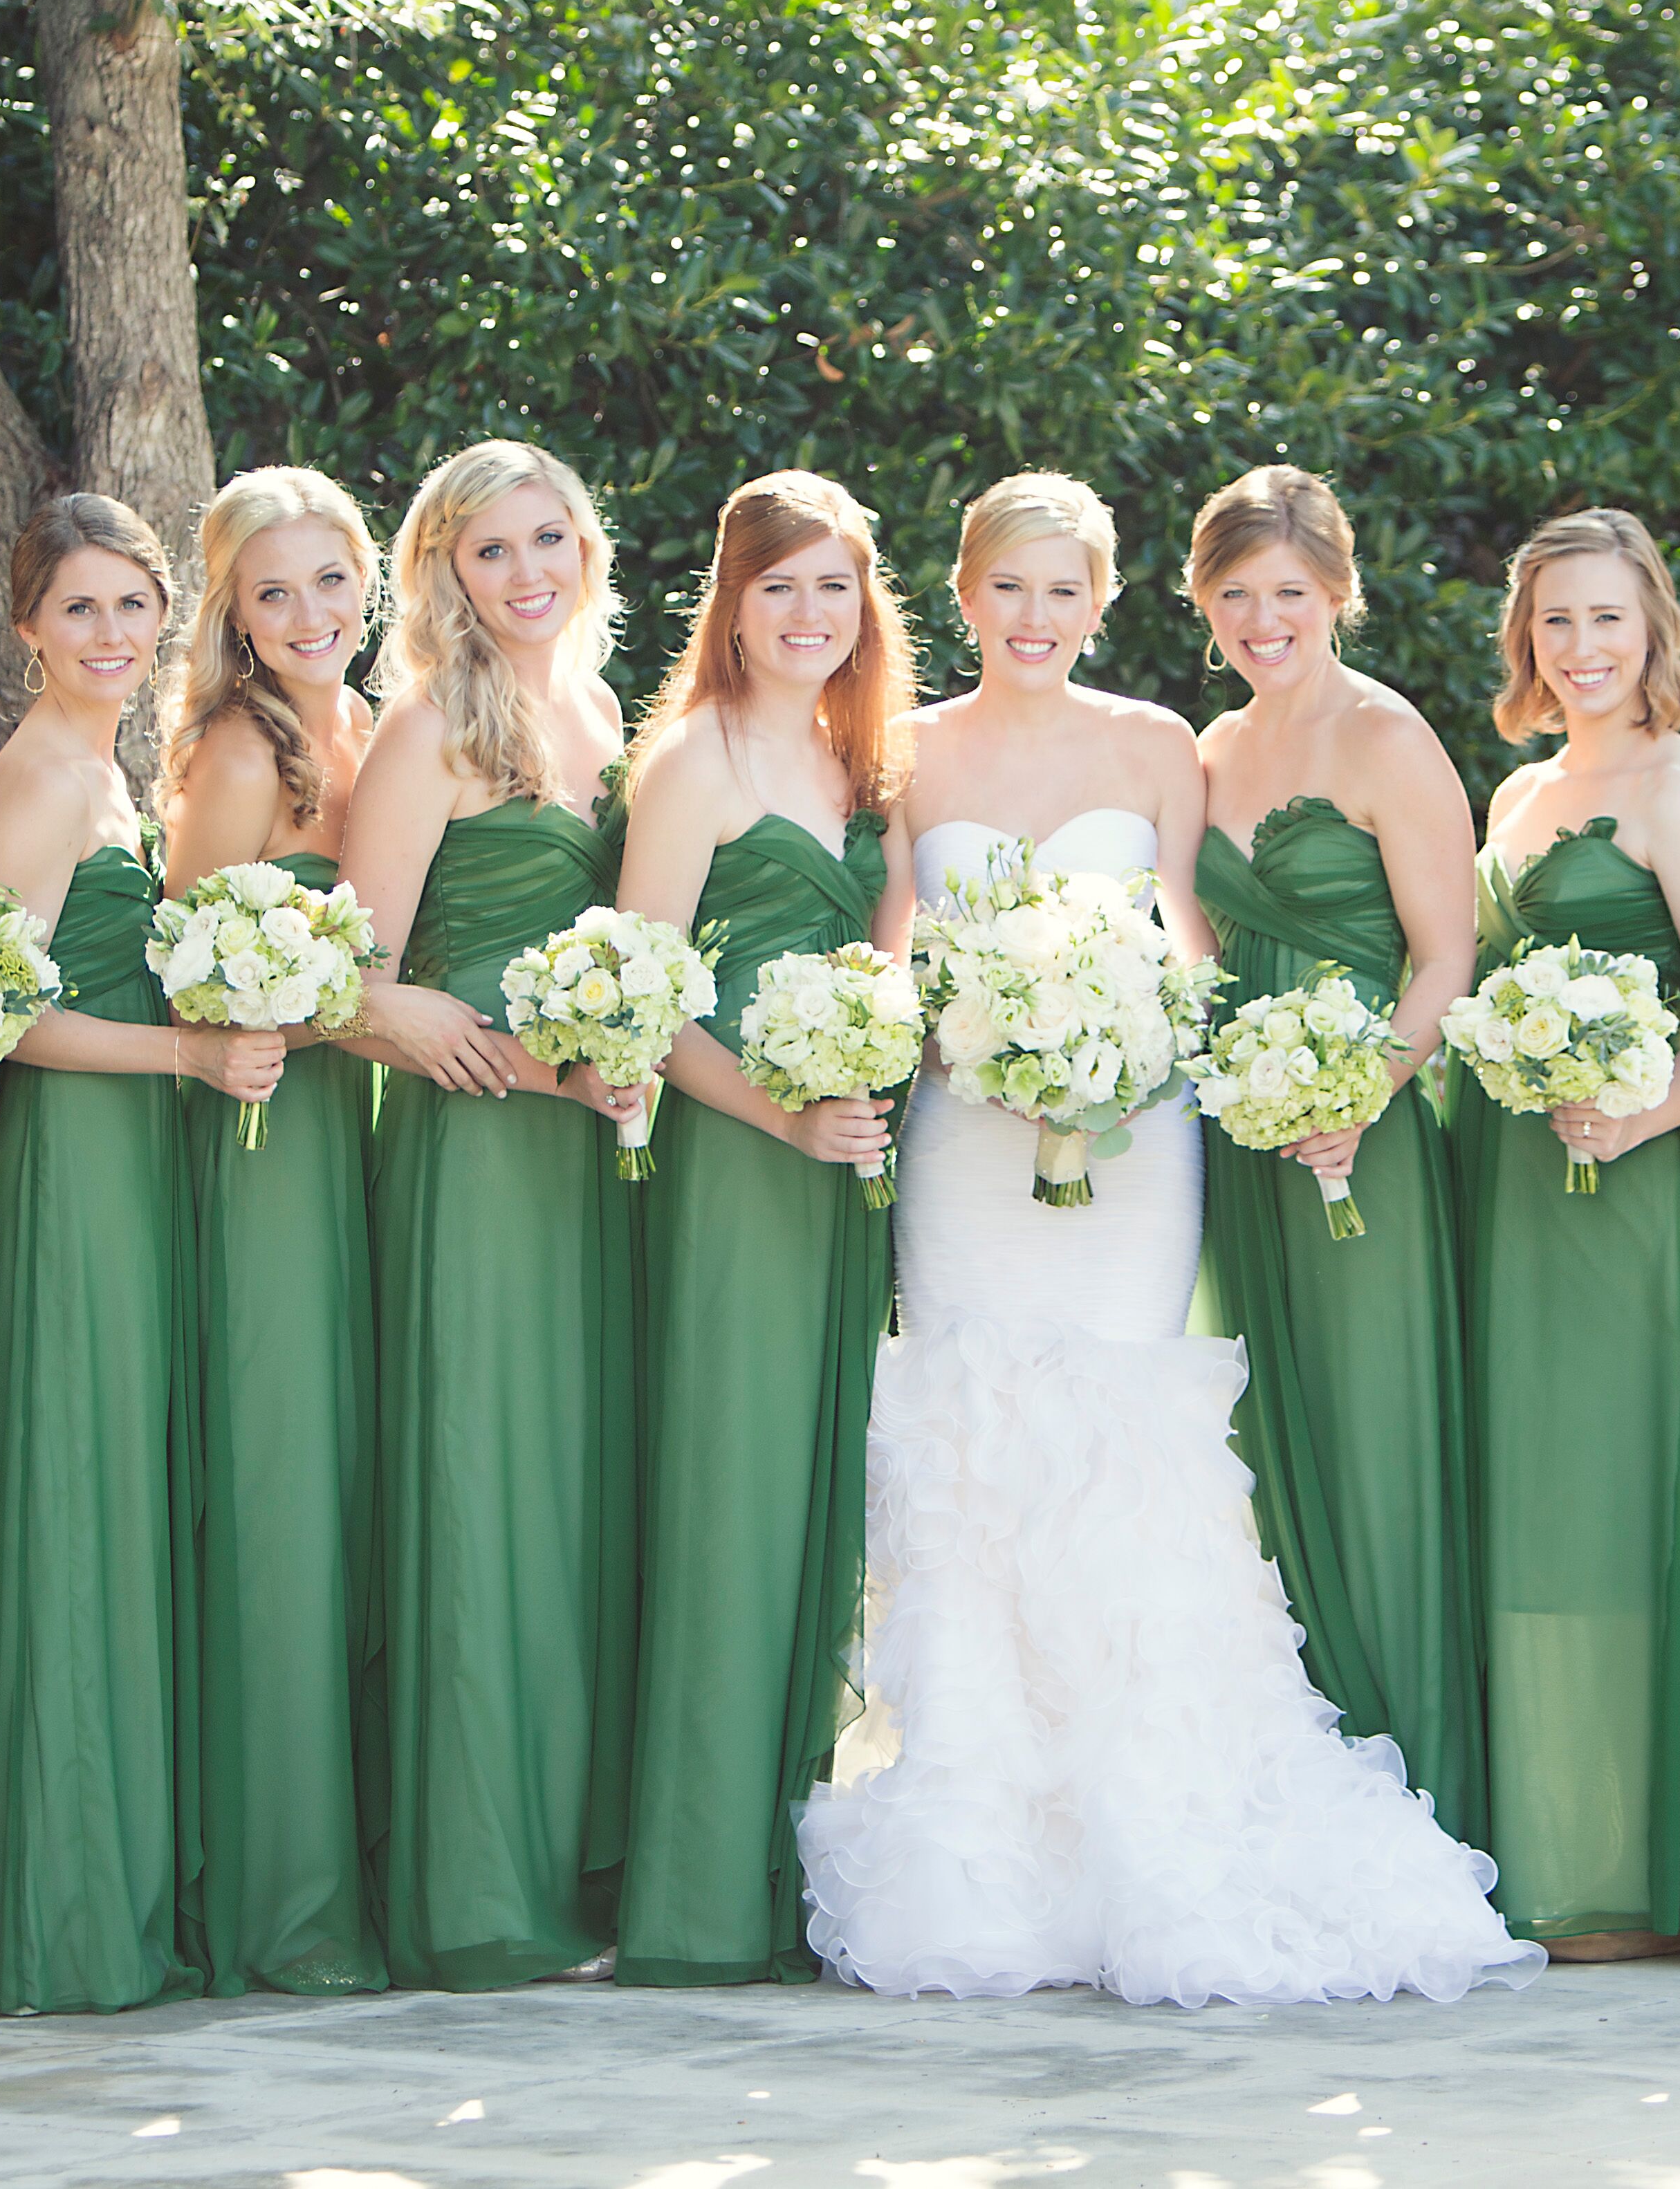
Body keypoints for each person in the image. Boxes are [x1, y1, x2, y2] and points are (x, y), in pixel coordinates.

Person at [799, 470, 1539, 2009]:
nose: (1036, 617)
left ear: (1108, 600)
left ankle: (1156, 1811)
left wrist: (1119, 1044)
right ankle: (992, 1827)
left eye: (1064, 589)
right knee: (975, 1449)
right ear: (962, 595)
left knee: (1131, 1455)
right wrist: (947, 1043)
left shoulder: (1159, 750)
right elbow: (887, 958)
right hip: (961, 1148)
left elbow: (1195, 956)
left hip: (1135, 1149)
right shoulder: (906, 753)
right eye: (1009, 588)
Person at [0, 495, 278, 2014]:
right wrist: (187, 1063)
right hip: (71, 1164)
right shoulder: (31, 775)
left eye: (131, 608)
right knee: (74, 1506)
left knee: (124, 1503)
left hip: (133, 1165)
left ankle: (127, 1888)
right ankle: (67, 1915)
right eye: (78, 610)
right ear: (28, 625)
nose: (109, 636)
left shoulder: (116, 772)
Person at [342, 438, 643, 1986]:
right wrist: (469, 1043)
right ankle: (481, 1887)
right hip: (476, 1147)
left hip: (599, 1156)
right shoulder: (426, 733)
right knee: (487, 1492)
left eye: (548, 542)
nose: (527, 577)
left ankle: (580, 1860)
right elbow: (350, 976)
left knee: (578, 1496)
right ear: (443, 575)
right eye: (489, 554)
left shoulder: (605, 717)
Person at [611, 471, 916, 1986]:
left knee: (816, 1502)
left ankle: (786, 1866)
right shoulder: (691, 761)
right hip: (741, 1157)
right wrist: (782, 1118)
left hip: (841, 1157)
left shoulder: (859, 761)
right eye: (780, 586)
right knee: (732, 1493)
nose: (808, 615)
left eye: (835, 588)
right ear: (731, 605)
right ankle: (695, 1892)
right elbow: (643, 1002)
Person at [1446, 508, 1680, 1959]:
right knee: (1545, 1507)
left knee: (1625, 1501)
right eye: (1554, 624)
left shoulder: (1677, 783)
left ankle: (1646, 1865)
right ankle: (1559, 1845)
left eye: (1606, 621)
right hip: (1523, 1192)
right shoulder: (1517, 797)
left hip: (1636, 1184)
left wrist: (1637, 1120)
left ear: (1653, 632)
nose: (1581, 650)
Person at [1185, 465, 1488, 1842]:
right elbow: (1198, 947)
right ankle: (1312, 1787)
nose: (1263, 620)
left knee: (1372, 1437)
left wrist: (1364, 1088)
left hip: (1361, 1140)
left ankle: (1422, 1788)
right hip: (1239, 1141)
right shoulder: (1204, 752)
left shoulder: (1385, 736)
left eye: (1288, 594)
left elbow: (1447, 951)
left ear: (1338, 595)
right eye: (1236, 595)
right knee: (1273, 1436)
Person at [158, 465, 391, 1997]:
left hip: (357, 1137)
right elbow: (186, 963)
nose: (309, 616)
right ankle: (272, 1888)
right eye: (273, 592)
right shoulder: (243, 750)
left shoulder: (368, 729)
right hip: (265, 1137)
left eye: (329, 580)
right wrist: (344, 1014)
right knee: (275, 1483)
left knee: (342, 1485)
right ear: (232, 616)